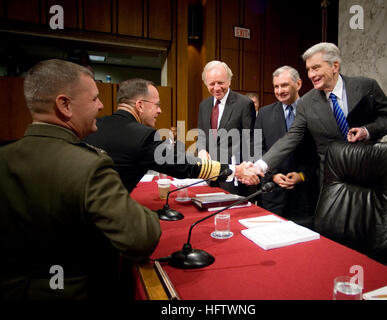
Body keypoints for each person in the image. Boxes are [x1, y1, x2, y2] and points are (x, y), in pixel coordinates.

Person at [0, 59, 161, 300]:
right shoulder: (90, 165)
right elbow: (141, 238)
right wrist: (145, 214)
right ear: (64, 105)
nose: (101, 105)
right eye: (94, 98)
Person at [244, 42, 387, 188]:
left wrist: (367, 131)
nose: (311, 74)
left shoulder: (366, 86)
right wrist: (260, 166)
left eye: (316, 68)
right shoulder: (307, 102)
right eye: (308, 69)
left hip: (368, 171)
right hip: (331, 179)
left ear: (335, 66)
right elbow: (291, 137)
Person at [84, 78, 259, 193]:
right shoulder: (142, 136)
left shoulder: (96, 125)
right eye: (157, 105)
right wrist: (234, 170)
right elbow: (184, 165)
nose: (160, 110)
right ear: (140, 105)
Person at [255, 66, 319, 219]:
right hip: (273, 194)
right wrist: (272, 175)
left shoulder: (315, 111)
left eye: (284, 85)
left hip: (305, 194)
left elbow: (320, 151)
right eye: (276, 86)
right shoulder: (264, 113)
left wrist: (302, 175)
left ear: (298, 84)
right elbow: (256, 149)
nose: (279, 90)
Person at [197, 60, 257, 195]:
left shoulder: (244, 103)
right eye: (212, 84)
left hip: (235, 177)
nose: (216, 88)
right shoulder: (204, 105)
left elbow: (251, 141)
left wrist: (247, 170)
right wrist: (201, 149)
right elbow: (201, 135)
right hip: (209, 175)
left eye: (221, 83)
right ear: (206, 84)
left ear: (229, 81)